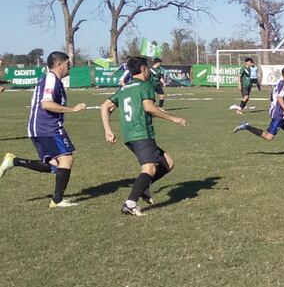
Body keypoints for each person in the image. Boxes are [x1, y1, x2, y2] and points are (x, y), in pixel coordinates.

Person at [100, 56, 187, 216]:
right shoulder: (144, 85)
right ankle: (130, 203)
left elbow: (105, 106)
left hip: (129, 135)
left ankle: (143, 187)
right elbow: (149, 108)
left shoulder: (125, 88)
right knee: (149, 168)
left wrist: (108, 130)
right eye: (147, 68)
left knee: (168, 163)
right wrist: (173, 118)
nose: (149, 72)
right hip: (141, 133)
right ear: (143, 69)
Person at [0, 51, 86, 207]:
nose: (70, 66)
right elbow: (46, 104)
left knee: (54, 165)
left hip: (39, 127)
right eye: (68, 63)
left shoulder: (50, 79)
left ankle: (14, 161)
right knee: (66, 159)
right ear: (59, 64)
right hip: (47, 127)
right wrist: (73, 109)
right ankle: (57, 201)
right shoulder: (51, 79)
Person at [233, 66, 284, 154]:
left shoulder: (281, 82)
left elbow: (273, 96)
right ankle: (246, 126)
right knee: (268, 137)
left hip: (279, 112)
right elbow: (279, 98)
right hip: (279, 114)